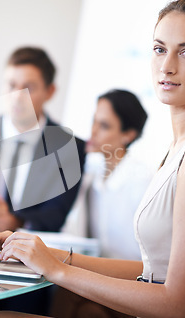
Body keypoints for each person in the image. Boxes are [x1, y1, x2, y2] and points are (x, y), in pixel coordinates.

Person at [0, 0, 185, 318]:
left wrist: (56, 271)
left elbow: (179, 304)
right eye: (160, 49)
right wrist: (42, 253)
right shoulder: (184, 146)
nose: (167, 66)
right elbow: (151, 269)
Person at [0, 47, 86, 233]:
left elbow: (55, 216)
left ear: (50, 91)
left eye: (29, 88)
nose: (17, 96)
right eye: (11, 85)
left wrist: (15, 223)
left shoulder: (69, 147)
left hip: (28, 252)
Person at [62, 89, 152, 260]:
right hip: (98, 274)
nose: (93, 131)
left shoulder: (142, 183)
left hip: (134, 278)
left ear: (128, 134)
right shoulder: (91, 173)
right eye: (93, 121)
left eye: (104, 126)